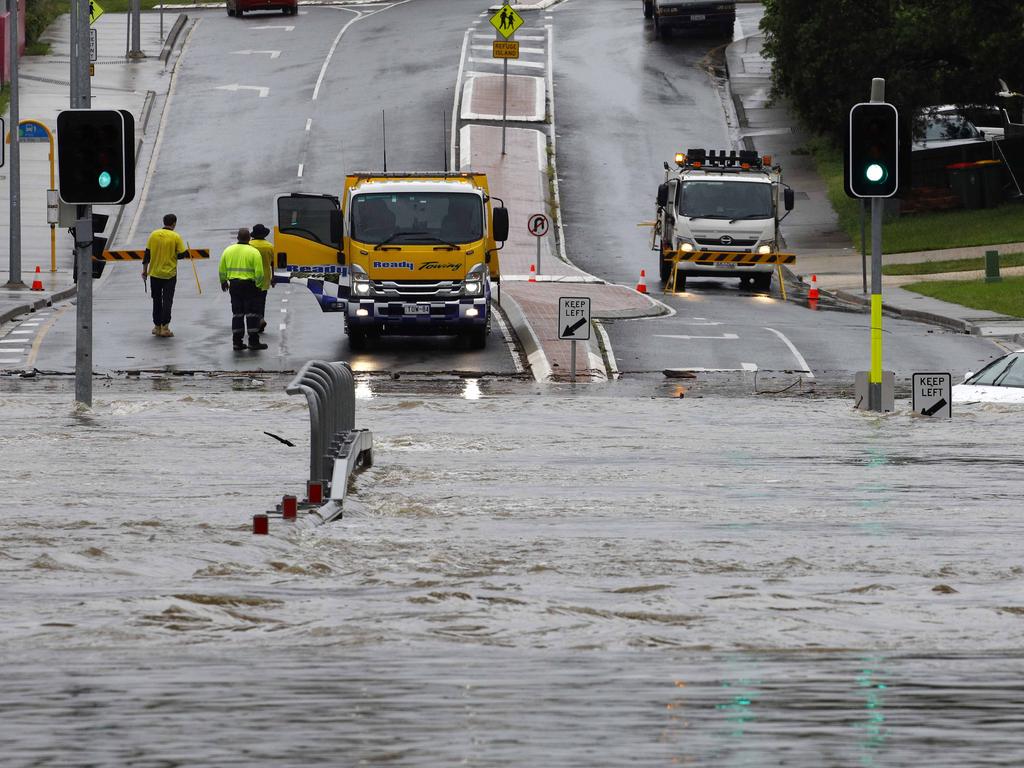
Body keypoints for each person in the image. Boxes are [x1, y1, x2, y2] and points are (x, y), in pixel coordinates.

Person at [218, 229, 267, 351]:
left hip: (234, 286)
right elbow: (260, 273)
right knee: (252, 314)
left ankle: (237, 342)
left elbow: (221, 269)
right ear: (249, 238)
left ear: (237, 238)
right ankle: (253, 342)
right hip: (251, 286)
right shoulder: (254, 252)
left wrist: (223, 281)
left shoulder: (228, 251)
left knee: (237, 314)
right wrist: (259, 285)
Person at [142, 213, 188, 338]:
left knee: (156, 300)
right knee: (167, 300)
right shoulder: (176, 237)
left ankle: (156, 327)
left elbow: (147, 254)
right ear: (174, 223)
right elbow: (183, 254)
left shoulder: (153, 235)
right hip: (169, 275)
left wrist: (144, 271)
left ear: (164, 222)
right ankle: (165, 327)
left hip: (155, 274)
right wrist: (175, 255)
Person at [249, 224, 275, 333]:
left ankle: (256, 320)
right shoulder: (269, 247)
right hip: (264, 278)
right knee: (261, 301)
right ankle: (261, 319)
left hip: (250, 278)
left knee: (251, 301)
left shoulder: (248, 245)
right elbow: (274, 264)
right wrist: (274, 278)